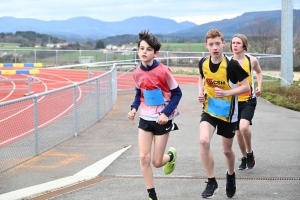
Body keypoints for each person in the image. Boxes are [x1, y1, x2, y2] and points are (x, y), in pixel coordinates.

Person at [127, 30, 182, 200]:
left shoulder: (164, 71)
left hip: (162, 119)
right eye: (141, 48)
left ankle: (171, 156)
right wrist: (134, 109)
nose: (144, 52)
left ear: (155, 53)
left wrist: (166, 113)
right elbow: (139, 95)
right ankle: (152, 195)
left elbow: (177, 94)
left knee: (157, 162)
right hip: (145, 117)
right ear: (137, 51)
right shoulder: (136, 73)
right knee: (144, 157)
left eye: (148, 49)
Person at [198, 29, 250, 198]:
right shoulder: (203, 63)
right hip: (209, 110)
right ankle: (211, 181)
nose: (215, 47)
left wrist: (227, 93)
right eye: (211, 44)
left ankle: (230, 175)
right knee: (204, 141)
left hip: (228, 113)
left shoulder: (232, 65)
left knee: (227, 151)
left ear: (223, 44)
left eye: (217, 44)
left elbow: (246, 87)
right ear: (206, 46)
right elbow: (201, 77)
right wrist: (201, 92)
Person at [230, 34, 263, 170]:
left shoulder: (251, 60)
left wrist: (259, 86)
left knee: (244, 127)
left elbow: (259, 73)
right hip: (234, 101)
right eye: (233, 43)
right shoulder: (227, 62)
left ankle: (250, 153)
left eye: (238, 43)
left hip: (249, 100)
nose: (235, 45)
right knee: (238, 133)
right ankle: (244, 157)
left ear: (244, 45)